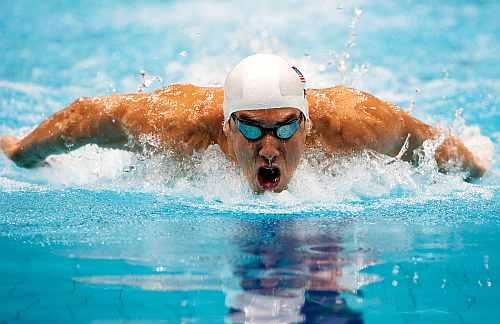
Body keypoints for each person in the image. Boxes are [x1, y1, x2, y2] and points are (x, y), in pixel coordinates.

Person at [0, 54, 487, 192]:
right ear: (227, 126)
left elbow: (428, 142)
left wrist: (483, 173)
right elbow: (85, 116)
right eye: (252, 129)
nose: (269, 147)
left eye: (285, 128)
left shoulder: (354, 124)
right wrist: (21, 152)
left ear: (308, 122)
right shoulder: (180, 126)